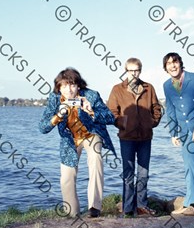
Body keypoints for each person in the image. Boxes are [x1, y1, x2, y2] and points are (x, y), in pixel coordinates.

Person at [39, 67, 115, 218]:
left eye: (72, 85)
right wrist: (58, 115)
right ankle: (72, 212)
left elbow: (110, 117)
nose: (69, 90)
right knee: (66, 176)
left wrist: (92, 111)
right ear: (59, 87)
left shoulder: (91, 95)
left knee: (95, 157)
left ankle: (94, 207)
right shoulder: (54, 99)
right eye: (65, 86)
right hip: (70, 138)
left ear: (79, 86)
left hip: (91, 133)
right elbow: (42, 128)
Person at [107, 58, 162, 217]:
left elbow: (156, 108)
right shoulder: (117, 89)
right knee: (128, 174)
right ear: (125, 70)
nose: (134, 73)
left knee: (143, 173)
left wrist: (151, 122)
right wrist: (124, 124)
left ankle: (142, 206)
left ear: (141, 70)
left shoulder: (148, 88)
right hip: (127, 138)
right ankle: (128, 208)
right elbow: (112, 112)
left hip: (145, 137)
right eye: (131, 70)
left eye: (137, 70)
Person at [163, 52, 194, 216]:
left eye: (175, 62)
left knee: (191, 159)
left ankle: (193, 204)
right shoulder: (167, 86)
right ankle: (191, 203)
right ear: (165, 68)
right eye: (168, 64)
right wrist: (173, 132)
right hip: (183, 132)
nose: (172, 66)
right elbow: (170, 110)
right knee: (190, 163)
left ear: (180, 63)